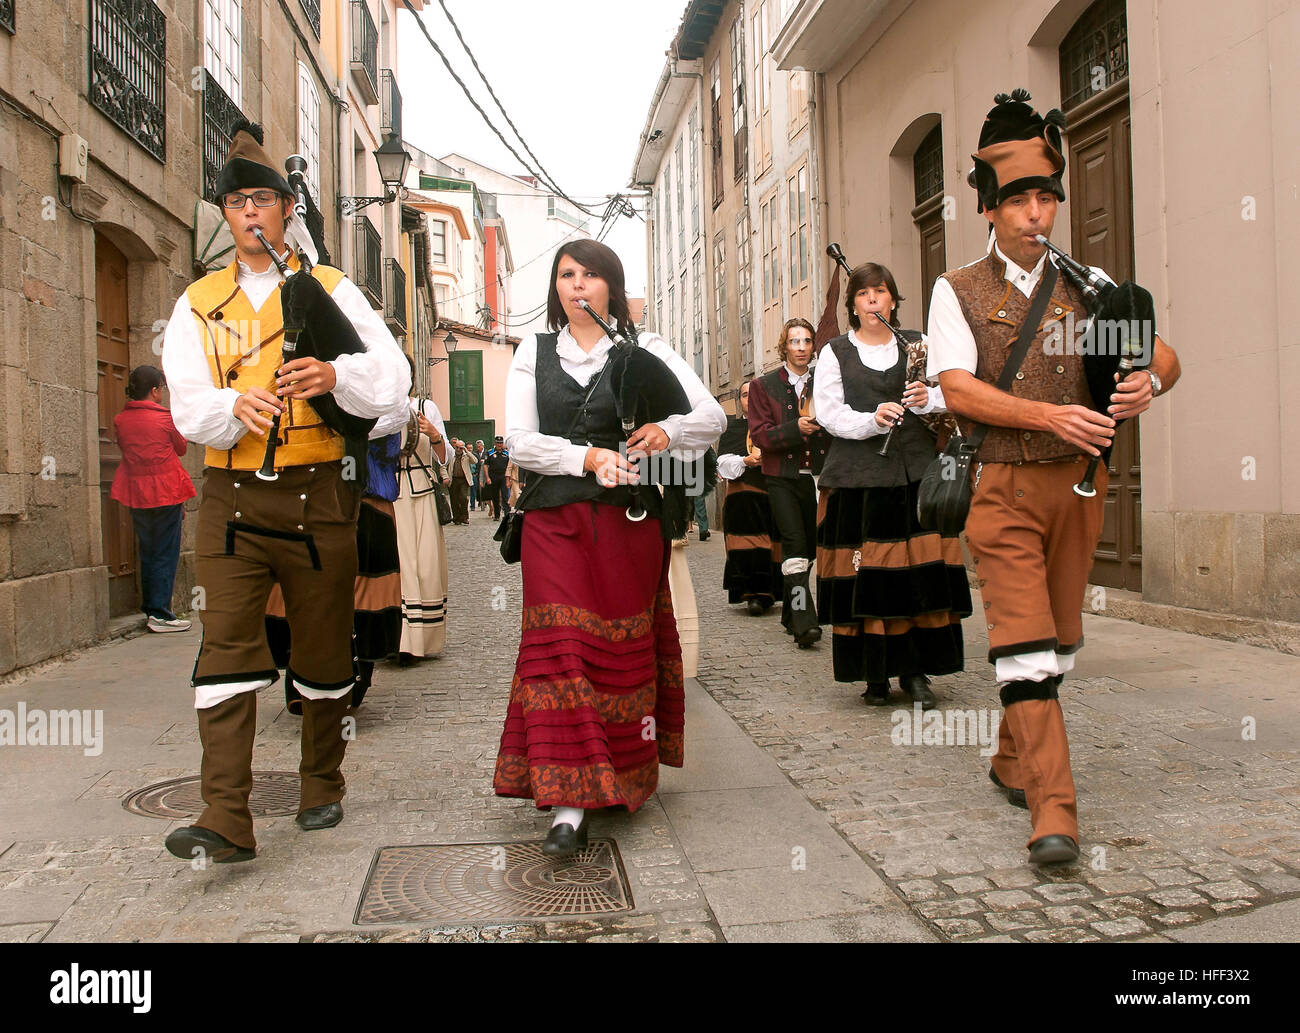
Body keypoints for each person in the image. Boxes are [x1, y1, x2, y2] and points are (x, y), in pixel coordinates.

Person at [927, 89, 1180, 866]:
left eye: (1046, 197)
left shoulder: (1090, 283)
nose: (1036, 213)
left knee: (1060, 645)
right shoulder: (956, 288)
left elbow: (1162, 355)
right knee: (1025, 646)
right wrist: (1048, 417)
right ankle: (1054, 809)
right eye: (1020, 201)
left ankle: (1011, 757)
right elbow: (956, 387)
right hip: (998, 486)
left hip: (1078, 490)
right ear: (991, 211)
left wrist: (1148, 383)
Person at [159, 120, 409, 863]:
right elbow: (184, 402)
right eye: (238, 202)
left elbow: (393, 387)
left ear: (285, 211)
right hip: (230, 504)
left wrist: (335, 375)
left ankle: (320, 781)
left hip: (318, 497)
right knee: (226, 649)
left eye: (265, 200)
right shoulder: (198, 302)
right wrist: (231, 406)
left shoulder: (330, 289)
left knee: (324, 650)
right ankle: (225, 815)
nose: (252, 214)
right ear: (227, 215)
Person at [493, 238, 725, 857]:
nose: (577, 285)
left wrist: (665, 429)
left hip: (630, 525)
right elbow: (519, 441)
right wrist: (588, 457)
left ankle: (620, 777)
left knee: (620, 650)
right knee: (562, 648)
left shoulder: (646, 348)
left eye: (590, 275)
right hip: (553, 522)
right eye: (566, 274)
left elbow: (711, 417)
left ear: (612, 287)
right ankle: (568, 801)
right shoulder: (533, 352)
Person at [813, 263, 970, 710]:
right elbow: (828, 411)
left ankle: (916, 673)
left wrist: (928, 399)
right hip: (860, 480)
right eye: (863, 294)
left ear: (894, 300)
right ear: (853, 306)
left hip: (916, 474)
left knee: (918, 577)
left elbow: (953, 392)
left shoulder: (919, 345)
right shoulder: (836, 352)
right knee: (869, 578)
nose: (873, 300)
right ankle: (874, 673)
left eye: (880, 292)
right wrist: (871, 419)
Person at [746, 318, 831, 648]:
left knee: (809, 550)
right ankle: (802, 621)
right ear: (784, 346)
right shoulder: (763, 386)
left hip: (819, 478)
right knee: (794, 546)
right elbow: (761, 435)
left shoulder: (824, 382)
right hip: (782, 478)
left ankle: (789, 612)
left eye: (807, 341)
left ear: (812, 346)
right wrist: (798, 429)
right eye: (794, 341)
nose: (801, 347)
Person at [111, 365, 197, 633]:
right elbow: (181, 448)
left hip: (136, 491)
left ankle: (152, 609)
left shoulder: (120, 420)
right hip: (166, 490)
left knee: (148, 551)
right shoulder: (165, 419)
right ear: (155, 390)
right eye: (161, 388)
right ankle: (160, 613)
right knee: (166, 552)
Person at [395, 378, 449, 662]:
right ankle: (397, 638)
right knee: (398, 567)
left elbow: (445, 457)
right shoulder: (377, 408)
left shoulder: (425, 407)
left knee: (425, 565)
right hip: (387, 495)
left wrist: (436, 436)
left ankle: (422, 640)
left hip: (421, 493)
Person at [718, 380, 781, 616]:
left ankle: (769, 594)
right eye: (745, 395)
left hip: (770, 492)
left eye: (755, 395)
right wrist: (745, 461)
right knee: (743, 545)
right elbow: (722, 463)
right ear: (740, 401)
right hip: (741, 496)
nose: (750, 400)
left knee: (771, 544)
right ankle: (751, 594)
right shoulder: (732, 429)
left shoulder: (774, 426)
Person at [484, 435, 511, 519]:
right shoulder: (490, 452)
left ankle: (507, 514)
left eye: (501, 443)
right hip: (493, 477)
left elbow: (510, 466)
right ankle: (496, 515)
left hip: (503, 476)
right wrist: (487, 478)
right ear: (495, 443)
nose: (499, 445)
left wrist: (509, 479)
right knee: (495, 496)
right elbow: (485, 466)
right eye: (498, 443)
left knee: (505, 496)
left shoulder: (507, 453)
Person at [448, 438, 473, 523]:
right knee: (454, 499)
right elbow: (443, 466)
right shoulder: (451, 455)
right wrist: (445, 477)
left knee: (463, 498)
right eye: (457, 447)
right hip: (453, 479)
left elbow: (475, 461)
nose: (458, 449)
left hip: (464, 480)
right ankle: (456, 518)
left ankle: (464, 517)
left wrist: (467, 451)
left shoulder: (466, 456)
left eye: (460, 448)